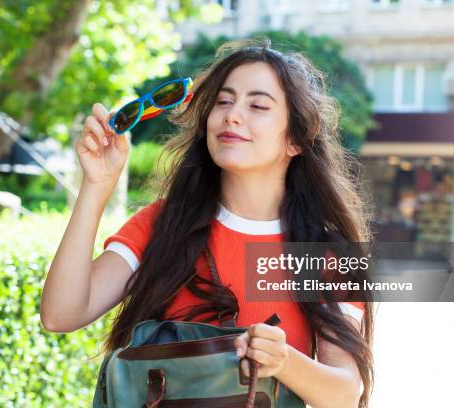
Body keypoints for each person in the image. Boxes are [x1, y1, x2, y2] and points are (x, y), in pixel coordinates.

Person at [40, 39, 374, 408]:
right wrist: (96, 186)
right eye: (223, 101)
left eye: (258, 105)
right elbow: (61, 314)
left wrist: (283, 360)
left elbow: (345, 393)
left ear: (295, 139)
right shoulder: (162, 223)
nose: (232, 115)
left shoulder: (324, 253)